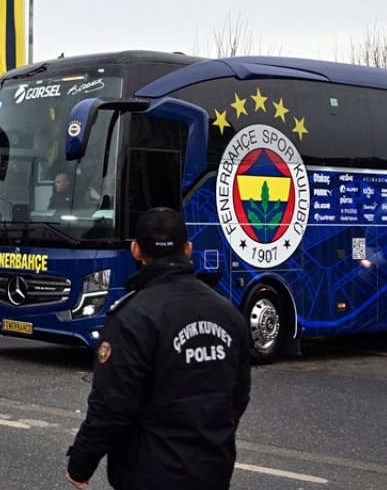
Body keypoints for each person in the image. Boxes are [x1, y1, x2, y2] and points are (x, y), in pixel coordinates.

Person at [66, 208, 251, 489]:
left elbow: (111, 406)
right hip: (213, 468)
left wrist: (81, 464)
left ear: (135, 250)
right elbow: (238, 395)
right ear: (188, 250)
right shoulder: (227, 313)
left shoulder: (133, 316)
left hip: (149, 473)